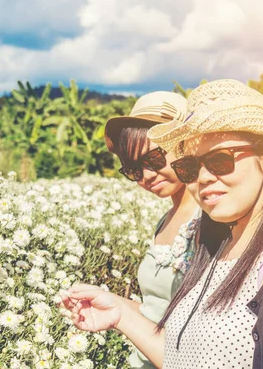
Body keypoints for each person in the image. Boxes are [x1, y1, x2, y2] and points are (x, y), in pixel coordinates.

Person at [61, 79, 263, 368]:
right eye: (189, 167)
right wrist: (121, 314)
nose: (203, 178)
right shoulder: (214, 244)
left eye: (220, 160)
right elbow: (186, 358)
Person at [85, 91, 200, 368]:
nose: (147, 176)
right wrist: (108, 301)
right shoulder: (165, 220)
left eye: (154, 159)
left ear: (184, 144)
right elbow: (155, 311)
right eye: (134, 169)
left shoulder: (210, 219)